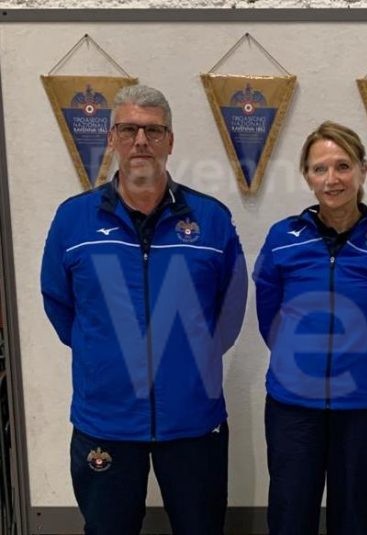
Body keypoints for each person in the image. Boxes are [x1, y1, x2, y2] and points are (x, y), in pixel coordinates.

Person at [41, 84, 248, 535]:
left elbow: (230, 308)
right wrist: (104, 356)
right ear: (112, 138)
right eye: (129, 129)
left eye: (153, 131)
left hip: (193, 417)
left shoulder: (211, 219)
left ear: (170, 141)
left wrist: (193, 360)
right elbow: (60, 305)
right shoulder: (74, 219)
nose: (141, 141)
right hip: (106, 418)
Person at [253, 121, 367, 535]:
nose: (332, 179)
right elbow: (269, 315)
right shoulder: (283, 238)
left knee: (353, 516)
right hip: (294, 406)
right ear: (307, 176)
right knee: (290, 515)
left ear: (363, 170)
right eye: (320, 168)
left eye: (343, 166)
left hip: (364, 405)